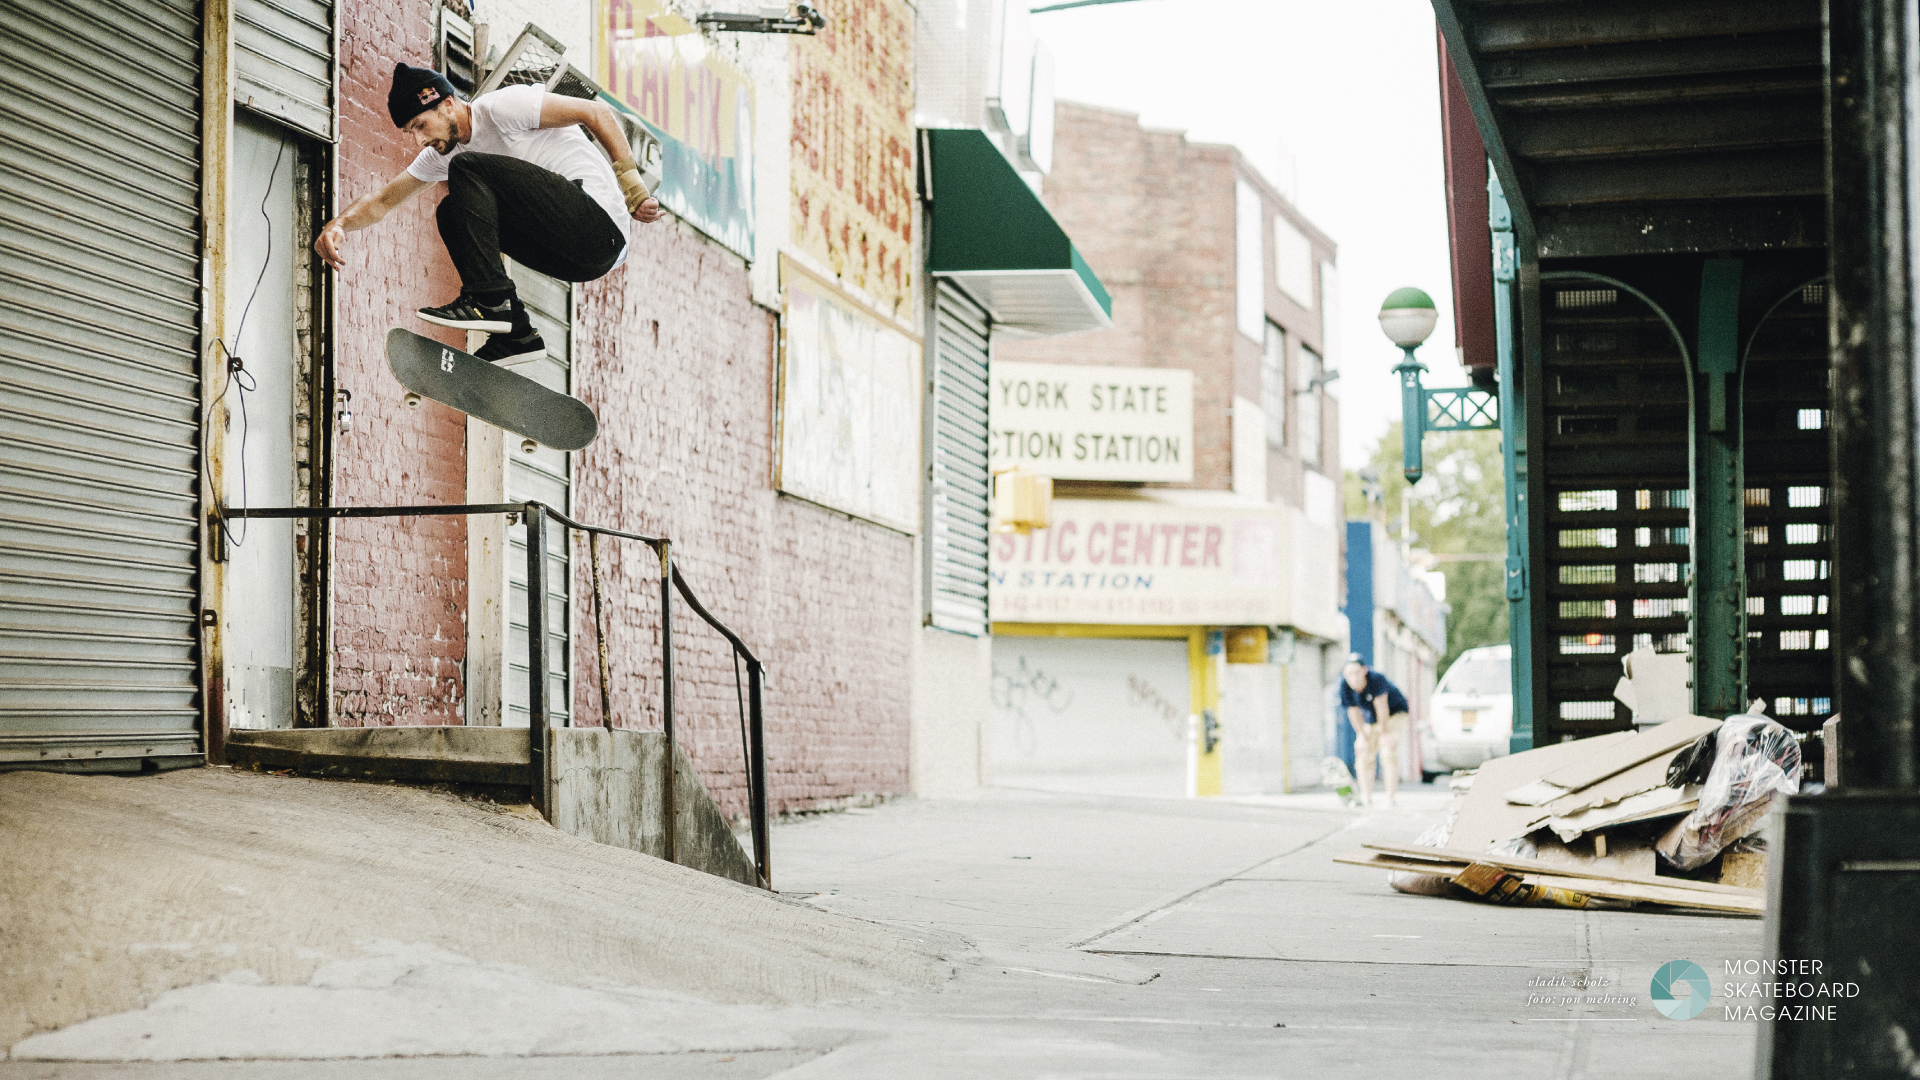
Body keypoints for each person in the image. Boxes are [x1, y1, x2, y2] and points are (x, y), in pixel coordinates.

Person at [314, 64, 667, 365]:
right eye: (410, 133)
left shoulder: (503, 107)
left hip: (598, 225)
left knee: (466, 168)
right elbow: (383, 200)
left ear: (447, 105)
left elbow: (596, 113)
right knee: (451, 211)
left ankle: (491, 301)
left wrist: (633, 189)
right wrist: (340, 224)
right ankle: (516, 333)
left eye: (421, 126)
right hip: (574, 260)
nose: (418, 141)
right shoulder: (441, 155)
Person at [1339, 655, 1411, 807]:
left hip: (1394, 713)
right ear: (1345, 674)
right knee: (1364, 753)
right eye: (1350, 674)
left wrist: (1384, 734)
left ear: (1364, 670)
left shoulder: (1376, 679)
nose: (1354, 677)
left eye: (1357, 672)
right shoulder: (1345, 686)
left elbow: (1382, 708)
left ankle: (1390, 798)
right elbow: (1353, 713)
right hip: (1372, 717)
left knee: (1387, 751)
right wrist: (1362, 736)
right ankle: (1366, 797)